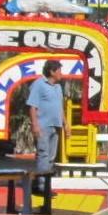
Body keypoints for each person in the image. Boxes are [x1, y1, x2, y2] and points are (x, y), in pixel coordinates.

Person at [27, 60, 66, 190]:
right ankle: (41, 187)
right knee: (43, 154)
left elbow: (60, 107)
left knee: (51, 157)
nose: (62, 74)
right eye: (59, 71)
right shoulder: (38, 84)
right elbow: (32, 106)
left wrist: (66, 124)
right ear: (52, 72)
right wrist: (35, 125)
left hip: (56, 126)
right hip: (42, 125)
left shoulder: (58, 87)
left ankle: (43, 183)